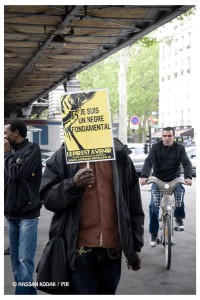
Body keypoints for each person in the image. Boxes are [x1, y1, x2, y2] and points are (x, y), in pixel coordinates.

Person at [39, 138, 144, 295]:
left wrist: (134, 245)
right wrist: (73, 184)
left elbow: (133, 206)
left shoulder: (120, 157)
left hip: (112, 252)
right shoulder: (63, 156)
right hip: (79, 252)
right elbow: (48, 199)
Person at [4, 120, 42, 294]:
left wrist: (5, 154)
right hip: (11, 213)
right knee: (15, 262)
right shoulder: (9, 152)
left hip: (27, 214)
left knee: (24, 260)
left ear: (16, 133)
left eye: (6, 133)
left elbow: (16, 174)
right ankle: (29, 293)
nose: (4, 137)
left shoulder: (32, 149)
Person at [140, 127, 192, 247]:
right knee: (153, 206)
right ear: (161, 137)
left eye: (169, 136)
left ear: (174, 137)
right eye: (164, 136)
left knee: (179, 194)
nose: (167, 138)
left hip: (174, 178)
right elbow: (149, 161)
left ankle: (178, 218)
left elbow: (186, 163)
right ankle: (153, 234)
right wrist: (144, 176)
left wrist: (188, 177)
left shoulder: (180, 148)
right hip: (158, 179)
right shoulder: (155, 148)